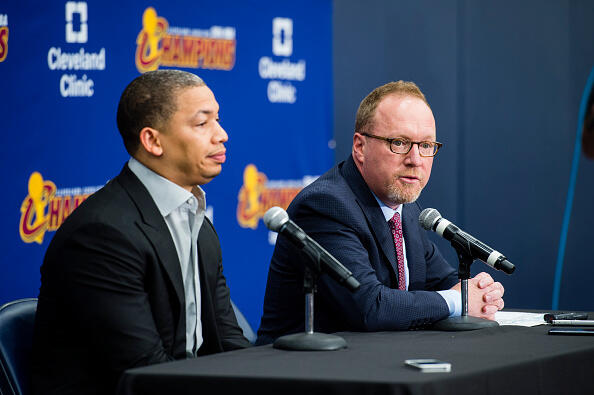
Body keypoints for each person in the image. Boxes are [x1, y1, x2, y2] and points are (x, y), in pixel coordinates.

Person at [31, 70, 250, 395]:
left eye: (217, 120)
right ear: (152, 141)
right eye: (202, 124)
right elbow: (144, 369)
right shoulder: (101, 235)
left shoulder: (197, 221)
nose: (222, 135)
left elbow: (227, 338)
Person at [256, 81, 505, 344]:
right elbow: (371, 306)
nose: (416, 159)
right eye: (399, 142)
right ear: (360, 148)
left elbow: (442, 280)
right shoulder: (325, 206)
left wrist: (481, 293)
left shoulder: (404, 207)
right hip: (300, 372)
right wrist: (458, 300)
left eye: (426, 145)